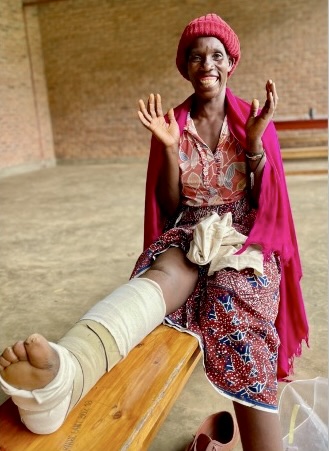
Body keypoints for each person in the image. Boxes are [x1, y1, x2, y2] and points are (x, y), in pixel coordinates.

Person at [0, 13, 308, 451]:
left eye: (217, 56)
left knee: (233, 299)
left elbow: (266, 204)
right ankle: (62, 376)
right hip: (190, 228)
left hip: (242, 232)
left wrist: (256, 144)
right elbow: (168, 207)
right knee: (161, 279)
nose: (207, 65)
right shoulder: (174, 124)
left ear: (230, 64)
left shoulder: (249, 120)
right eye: (196, 57)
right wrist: (166, 148)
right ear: (185, 67)